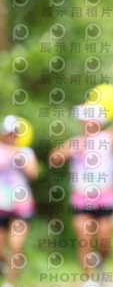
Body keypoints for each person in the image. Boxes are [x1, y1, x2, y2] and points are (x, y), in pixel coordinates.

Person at [49, 92, 113, 287]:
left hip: (104, 198)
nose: (84, 124)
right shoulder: (75, 142)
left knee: (104, 242)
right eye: (83, 121)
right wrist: (68, 151)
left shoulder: (107, 138)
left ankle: (100, 262)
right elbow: (54, 158)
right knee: (84, 239)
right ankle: (88, 279)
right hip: (80, 198)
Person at [0, 116, 38, 287]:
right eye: (9, 132)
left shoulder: (26, 152)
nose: (12, 135)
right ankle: (4, 264)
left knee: (16, 246)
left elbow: (33, 174)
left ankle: (9, 283)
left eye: (14, 132)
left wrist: (18, 156)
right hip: (1, 205)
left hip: (21, 206)